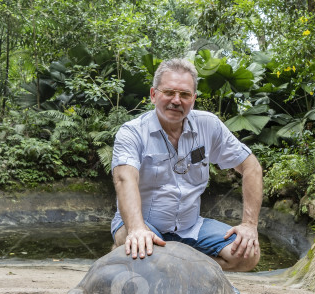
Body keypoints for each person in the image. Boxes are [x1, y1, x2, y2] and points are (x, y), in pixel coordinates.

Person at [111, 58, 263, 272]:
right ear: (154, 95)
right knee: (138, 247)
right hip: (143, 223)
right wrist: (137, 229)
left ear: (194, 99)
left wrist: (249, 225)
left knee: (248, 254)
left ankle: (176, 271)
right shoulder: (132, 132)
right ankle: (128, 252)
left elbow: (252, 167)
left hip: (190, 227)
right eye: (169, 92)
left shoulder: (208, 125)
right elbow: (124, 178)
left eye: (184, 95)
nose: (176, 100)